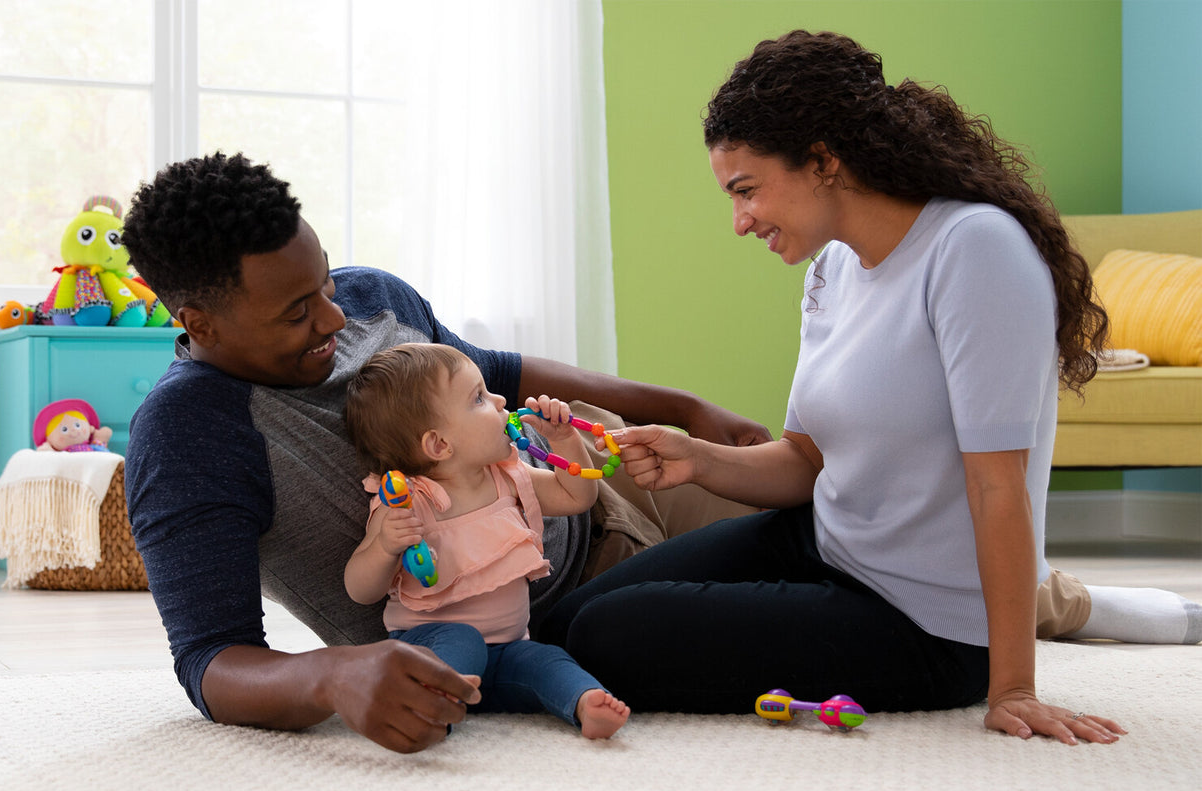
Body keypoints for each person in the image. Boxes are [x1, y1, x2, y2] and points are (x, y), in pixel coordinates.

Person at [537, 29, 1148, 745]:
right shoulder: (832, 269)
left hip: (924, 623)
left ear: (824, 161)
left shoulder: (974, 249)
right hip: (824, 542)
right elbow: (807, 458)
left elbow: (998, 485)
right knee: (560, 620)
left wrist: (1011, 683)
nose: (739, 222)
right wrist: (697, 457)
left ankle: (1071, 615)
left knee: (608, 635)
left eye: (746, 190)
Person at [120, 151, 763, 754]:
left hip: (601, 466)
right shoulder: (189, 437)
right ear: (200, 322)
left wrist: (685, 410)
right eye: (296, 314)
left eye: (324, 286)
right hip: (558, 612)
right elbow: (211, 658)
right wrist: (333, 676)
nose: (334, 320)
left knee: (830, 525)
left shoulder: (375, 298)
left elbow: (503, 374)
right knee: (801, 598)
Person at [343, 343, 630, 739]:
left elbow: (576, 496)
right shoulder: (407, 500)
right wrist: (384, 546)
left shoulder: (507, 477)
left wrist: (563, 440)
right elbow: (360, 590)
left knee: (547, 660)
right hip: (430, 646)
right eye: (479, 397)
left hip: (509, 651)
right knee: (463, 641)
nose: (499, 401)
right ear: (439, 445)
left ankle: (585, 703)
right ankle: (425, 706)